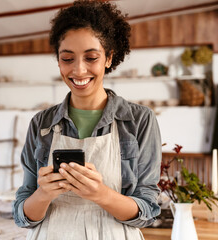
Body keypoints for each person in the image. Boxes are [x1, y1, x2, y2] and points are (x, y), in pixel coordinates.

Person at [13, 1, 161, 239]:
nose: (79, 71)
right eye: (67, 59)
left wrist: (100, 193)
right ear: (58, 60)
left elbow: (148, 212)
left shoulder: (139, 120)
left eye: (91, 57)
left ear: (109, 58)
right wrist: (43, 194)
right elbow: (22, 216)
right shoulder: (41, 123)